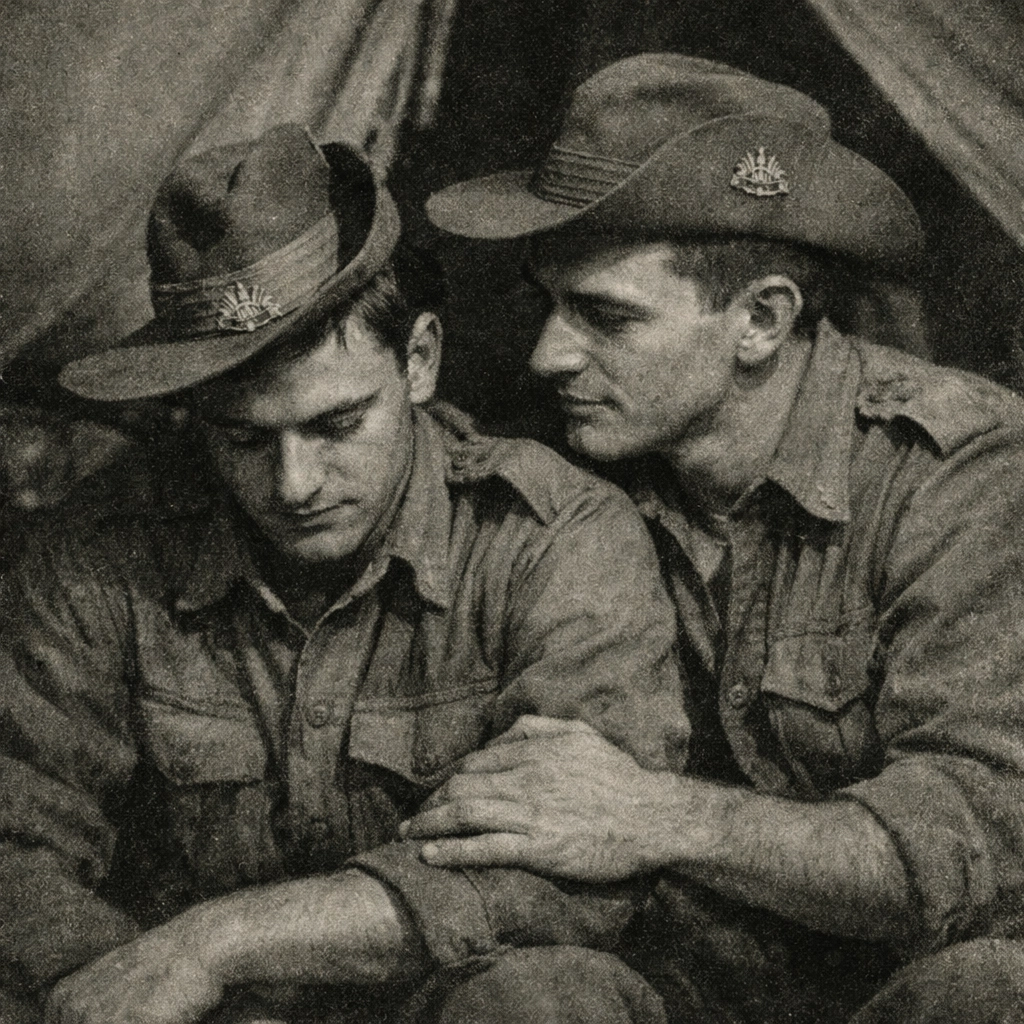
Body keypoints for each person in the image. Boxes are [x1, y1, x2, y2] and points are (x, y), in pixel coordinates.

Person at [0, 124, 689, 1024]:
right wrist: (126, 985)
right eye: (243, 438)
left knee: (548, 1000)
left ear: (419, 362)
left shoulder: (552, 539)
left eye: (335, 426)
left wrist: (214, 943)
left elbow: (563, 873)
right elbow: (17, 837)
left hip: (440, 1006)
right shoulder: (101, 553)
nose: (294, 485)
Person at [406, 53, 1024, 1023]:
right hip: (681, 991)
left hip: (902, 988)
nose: (548, 354)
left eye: (604, 315)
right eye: (548, 304)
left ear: (761, 319)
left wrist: (657, 816)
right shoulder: (561, 470)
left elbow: (967, 839)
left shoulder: (958, 470)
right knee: (526, 998)